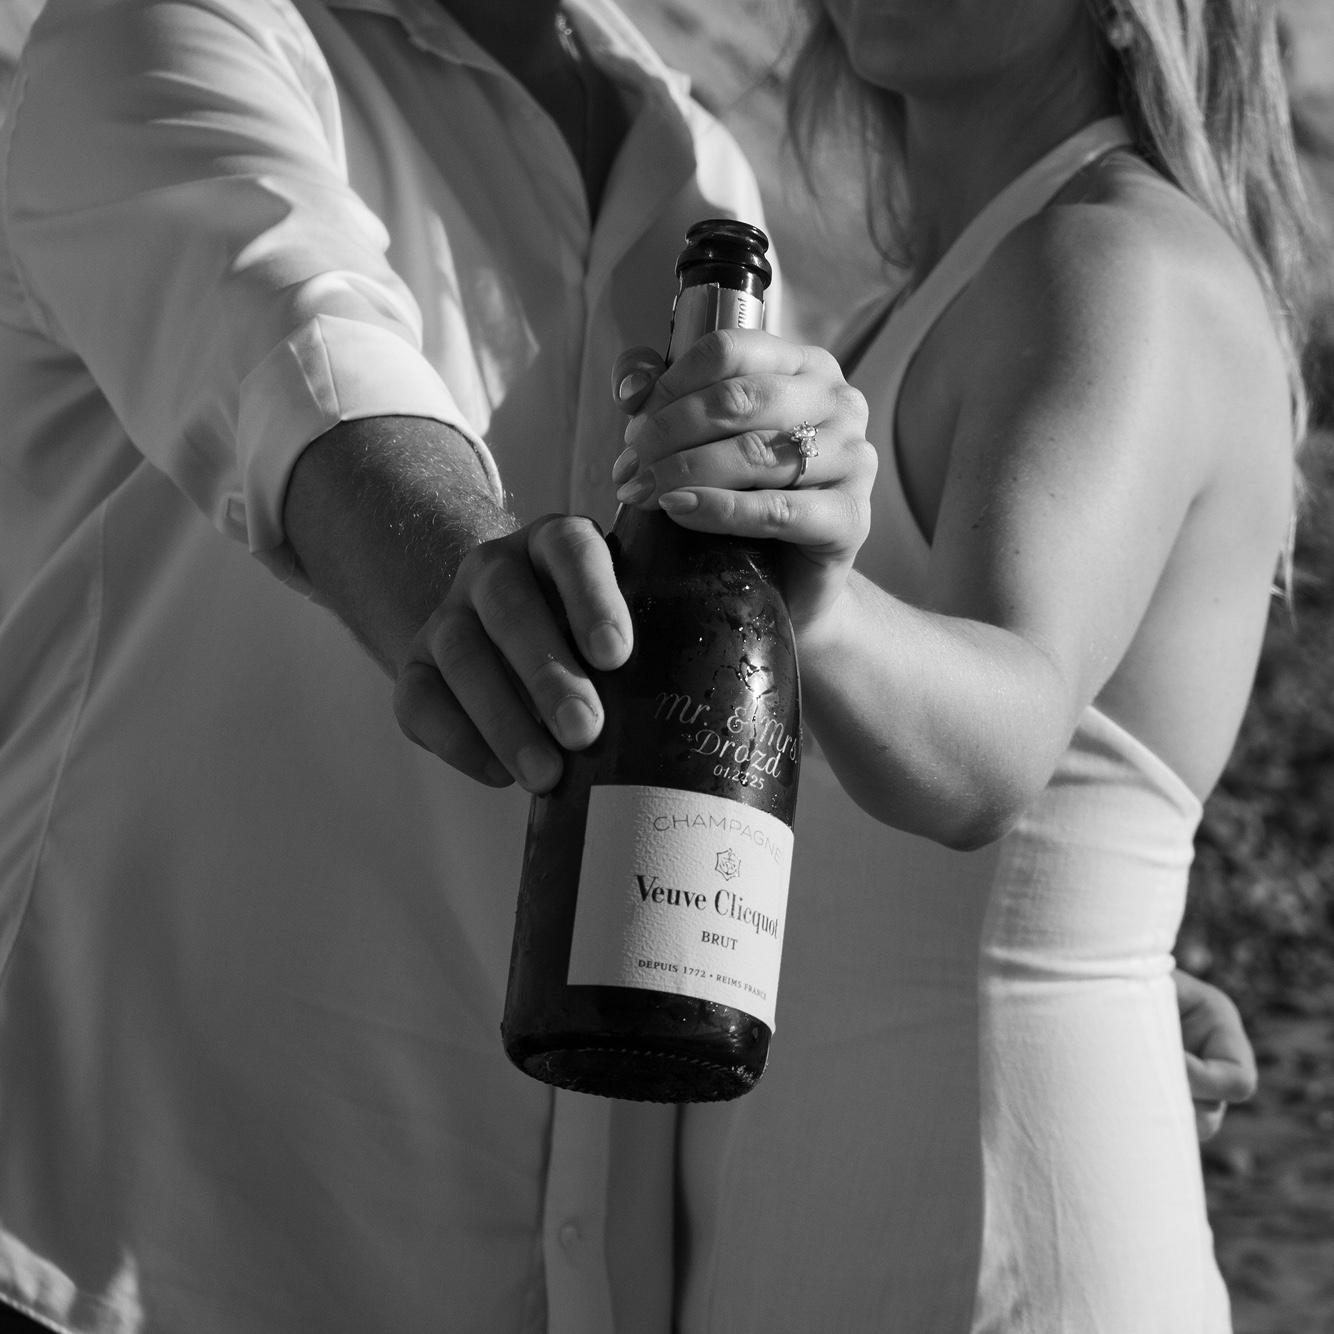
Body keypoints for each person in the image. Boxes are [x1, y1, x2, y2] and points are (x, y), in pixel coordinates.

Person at [0, 2, 1261, 1333]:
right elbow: (303, 371)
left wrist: (1045, 943)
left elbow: (768, 687)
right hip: (134, 1242)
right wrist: (467, 581)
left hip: (566, 1267)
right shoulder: (181, 32)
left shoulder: (704, 172)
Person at [593, 0, 1321, 1328]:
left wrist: (807, 593)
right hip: (867, 1214)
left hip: (988, 1238)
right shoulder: (949, 290)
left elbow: (999, 744)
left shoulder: (1112, 261)